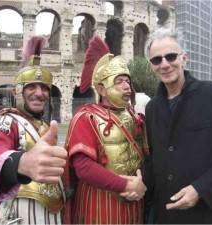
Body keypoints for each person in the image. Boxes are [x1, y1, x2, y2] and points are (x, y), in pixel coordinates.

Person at [143, 27, 212, 224]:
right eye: (157, 60)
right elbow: (154, 160)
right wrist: (138, 182)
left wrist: (201, 189)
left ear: (184, 58)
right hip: (166, 216)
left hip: (209, 216)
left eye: (171, 56)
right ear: (151, 65)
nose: (165, 64)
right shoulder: (152, 108)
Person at [0, 36, 67, 225]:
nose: (39, 93)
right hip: (18, 214)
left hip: (53, 214)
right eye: (31, 86)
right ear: (16, 92)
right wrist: (21, 163)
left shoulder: (47, 126)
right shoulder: (5, 120)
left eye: (44, 88)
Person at [64, 35, 149, 224]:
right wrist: (126, 184)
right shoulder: (86, 117)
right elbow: (84, 168)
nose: (127, 86)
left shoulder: (135, 115)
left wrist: (142, 182)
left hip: (134, 204)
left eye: (127, 81)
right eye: (119, 81)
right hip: (98, 205)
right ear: (102, 89)